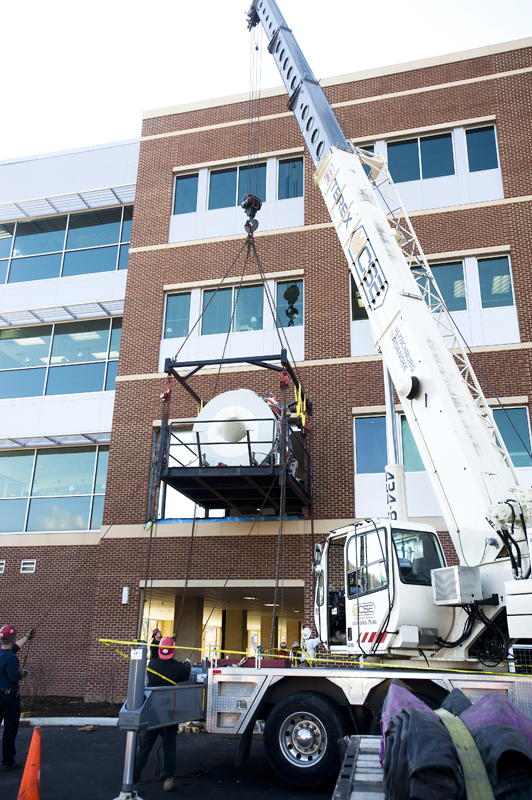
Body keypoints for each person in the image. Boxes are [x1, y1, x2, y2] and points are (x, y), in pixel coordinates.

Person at [134, 636, 191, 792]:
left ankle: (133, 776)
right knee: (169, 746)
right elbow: (186, 673)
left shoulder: (151, 664)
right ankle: (167, 778)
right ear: (173, 651)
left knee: (144, 746)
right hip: (169, 713)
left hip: (151, 712)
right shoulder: (179, 668)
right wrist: (188, 663)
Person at [0, 624, 34, 772]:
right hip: (9, 697)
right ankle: (8, 761)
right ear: (12, 638)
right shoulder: (12, 658)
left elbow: (15, 646)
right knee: (10, 729)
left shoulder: (3, 653)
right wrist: (24, 673)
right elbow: (14, 677)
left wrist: (27, 637)